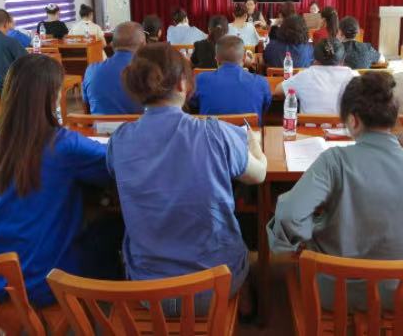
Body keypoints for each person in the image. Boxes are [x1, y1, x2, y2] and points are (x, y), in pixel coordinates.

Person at [107, 43, 267, 315]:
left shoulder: (119, 139)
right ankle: (244, 303)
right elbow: (258, 175)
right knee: (239, 240)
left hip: (147, 290)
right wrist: (254, 146)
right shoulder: (215, 133)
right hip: (213, 286)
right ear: (183, 84)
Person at [0, 54, 121, 307]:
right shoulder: (64, 145)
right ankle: (106, 308)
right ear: (52, 97)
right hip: (44, 279)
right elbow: (114, 166)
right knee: (113, 226)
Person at [269, 72, 403, 310]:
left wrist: (311, 232)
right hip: (395, 293)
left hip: (334, 291)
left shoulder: (334, 160)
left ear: (353, 121)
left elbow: (289, 215)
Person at [190, 36, 272, 125]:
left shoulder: (200, 80)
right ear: (244, 57)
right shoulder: (261, 82)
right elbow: (265, 109)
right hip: (248, 133)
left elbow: (192, 104)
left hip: (210, 132)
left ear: (216, 58)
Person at [276, 39, 358, 114]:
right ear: (343, 59)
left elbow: (278, 90)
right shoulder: (353, 76)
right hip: (345, 126)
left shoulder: (305, 75)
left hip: (308, 125)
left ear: (315, 59)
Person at [82, 22, 146, 115]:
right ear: (143, 45)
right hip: (137, 124)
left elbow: (87, 108)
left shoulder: (91, 71)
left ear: (112, 45)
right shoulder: (148, 72)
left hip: (100, 124)